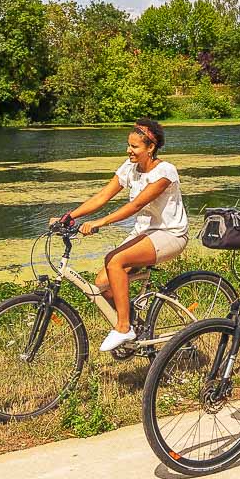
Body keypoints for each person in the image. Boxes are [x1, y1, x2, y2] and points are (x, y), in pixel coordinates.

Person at [53, 118, 186, 353]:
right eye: (128, 145)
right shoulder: (129, 167)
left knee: (115, 260)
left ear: (150, 148)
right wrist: (69, 216)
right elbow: (102, 196)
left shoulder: (165, 172)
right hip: (143, 233)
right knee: (103, 283)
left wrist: (99, 223)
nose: (129, 150)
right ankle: (135, 324)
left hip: (170, 233)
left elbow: (134, 206)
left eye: (134, 147)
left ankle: (123, 327)